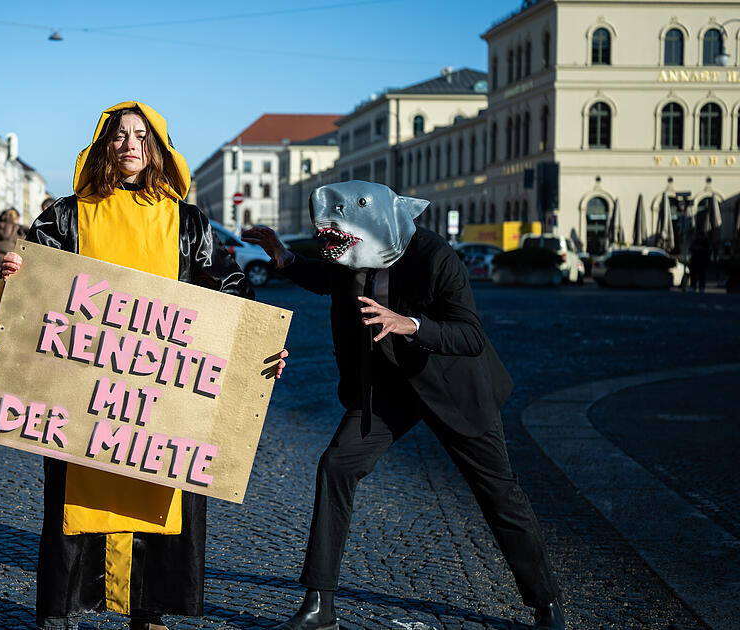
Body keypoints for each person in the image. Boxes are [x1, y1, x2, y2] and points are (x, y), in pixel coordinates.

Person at [0, 101, 285, 630]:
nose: (130, 144)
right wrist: (14, 274)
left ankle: (148, 610)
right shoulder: (65, 215)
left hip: (162, 392)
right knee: (71, 497)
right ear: (104, 144)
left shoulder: (186, 221)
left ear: (156, 148)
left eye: (142, 136)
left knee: (162, 487)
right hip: (81, 389)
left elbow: (227, 292)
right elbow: (27, 291)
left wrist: (257, 350)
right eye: (120, 135)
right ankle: (59, 610)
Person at [242, 181, 564, 630]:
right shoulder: (352, 254)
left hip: (452, 386)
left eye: (340, 237)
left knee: (499, 495)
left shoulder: (435, 256)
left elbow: (470, 335)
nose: (335, 246)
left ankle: (546, 603)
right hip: (387, 388)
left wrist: (409, 324)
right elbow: (328, 278)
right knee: (336, 466)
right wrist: (287, 258)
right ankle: (320, 607)